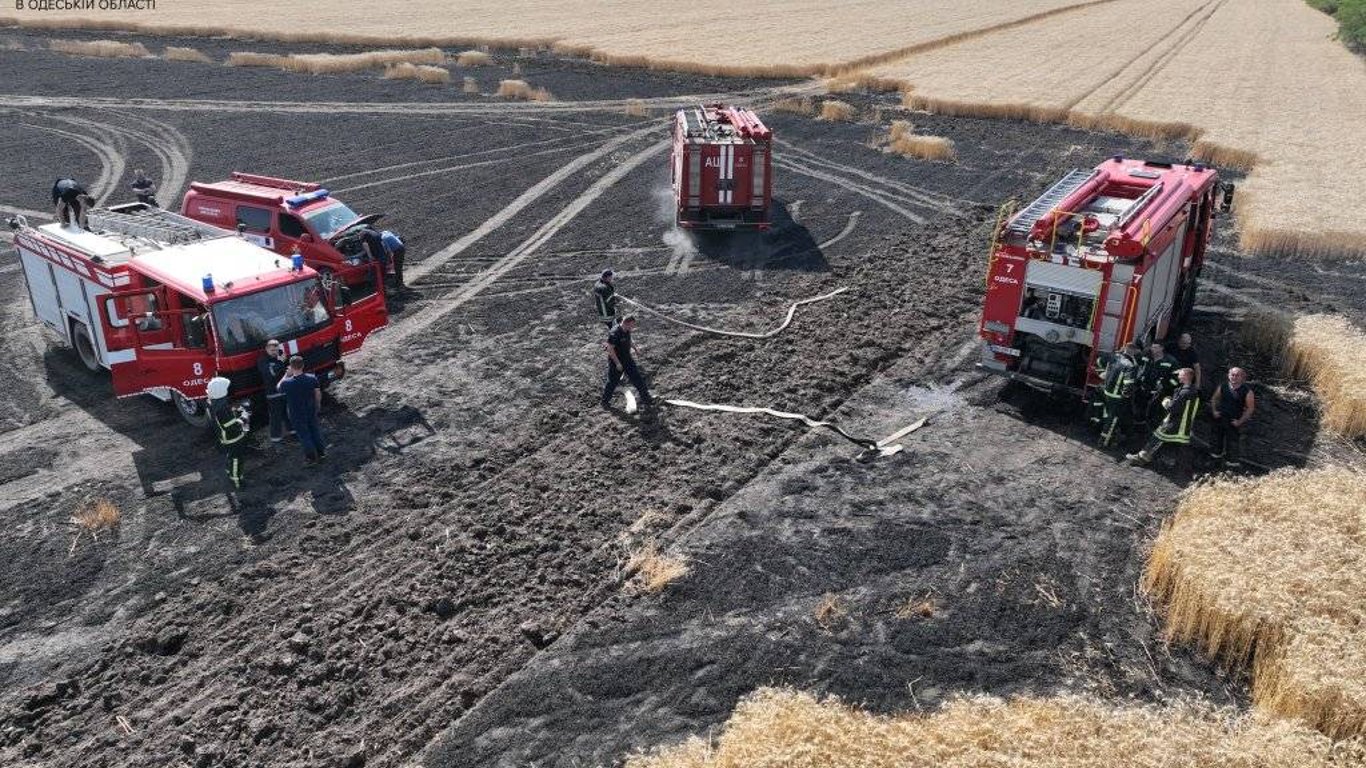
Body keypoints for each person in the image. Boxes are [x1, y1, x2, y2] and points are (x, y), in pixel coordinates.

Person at [1127, 367, 1201, 468]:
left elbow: (1173, 408)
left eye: (1180, 374)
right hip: (1181, 424)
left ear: (1187, 376)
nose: (1178, 376)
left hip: (1175, 423)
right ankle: (1169, 462)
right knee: (1172, 444)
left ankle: (1141, 458)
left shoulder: (1185, 392)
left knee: (1157, 437)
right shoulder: (1192, 391)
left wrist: (1166, 402)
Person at [278, 355, 326, 462]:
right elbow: (318, 394)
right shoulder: (312, 378)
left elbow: (278, 387)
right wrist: (317, 405)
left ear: (291, 366)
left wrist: (286, 374)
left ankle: (311, 457)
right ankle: (321, 453)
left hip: (296, 413)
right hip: (311, 409)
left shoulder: (287, 383)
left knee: (304, 435)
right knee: (315, 431)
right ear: (303, 365)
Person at [1091, 343, 1140, 447]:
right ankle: (1104, 442)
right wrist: (1125, 396)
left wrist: (1101, 373)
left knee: (1104, 411)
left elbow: (1099, 361)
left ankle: (1095, 427)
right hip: (1116, 396)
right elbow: (1129, 384)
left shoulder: (1113, 356)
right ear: (1135, 351)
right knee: (1112, 419)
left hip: (1104, 390)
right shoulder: (1131, 365)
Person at [601, 315, 653, 411]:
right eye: (631, 326)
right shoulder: (614, 333)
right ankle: (604, 401)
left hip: (628, 359)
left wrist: (635, 349)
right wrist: (617, 364)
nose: (632, 328)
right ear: (625, 323)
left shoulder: (627, 329)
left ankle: (646, 398)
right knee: (612, 382)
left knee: (638, 378)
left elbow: (629, 339)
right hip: (616, 361)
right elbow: (610, 350)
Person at [207, 376, 249, 489]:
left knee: (230, 456)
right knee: (236, 459)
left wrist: (235, 411)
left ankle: (229, 471)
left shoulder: (213, 404)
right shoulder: (222, 409)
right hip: (233, 438)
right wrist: (244, 417)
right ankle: (237, 481)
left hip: (225, 438)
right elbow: (232, 426)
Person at [1210, 366, 1255, 467]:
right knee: (1216, 441)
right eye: (1232, 375)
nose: (1234, 377)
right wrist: (1214, 411)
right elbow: (1214, 399)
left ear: (1242, 377)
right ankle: (1215, 461)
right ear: (1229, 376)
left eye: (1237, 375)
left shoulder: (1247, 391)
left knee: (1233, 444)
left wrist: (1240, 421)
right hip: (1220, 419)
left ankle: (1232, 466)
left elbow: (1250, 408)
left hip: (1234, 422)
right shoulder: (1223, 386)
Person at [256, 339, 291, 443]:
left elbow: (288, 368)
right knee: (276, 417)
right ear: (266, 349)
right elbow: (271, 373)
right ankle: (276, 439)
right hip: (273, 393)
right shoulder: (262, 361)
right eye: (272, 350)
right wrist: (281, 362)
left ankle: (293, 431)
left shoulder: (281, 355)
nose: (275, 352)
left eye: (276, 350)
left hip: (285, 390)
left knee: (289, 413)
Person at [1136, 342, 1178, 424]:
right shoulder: (1146, 356)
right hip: (1142, 389)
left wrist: (1164, 385)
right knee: (1139, 409)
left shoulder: (1171, 361)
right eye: (1152, 347)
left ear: (1161, 348)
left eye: (1155, 347)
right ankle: (1139, 425)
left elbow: (1176, 379)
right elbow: (1137, 365)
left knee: (1153, 413)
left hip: (1159, 394)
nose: (1152, 349)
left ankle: (1150, 427)